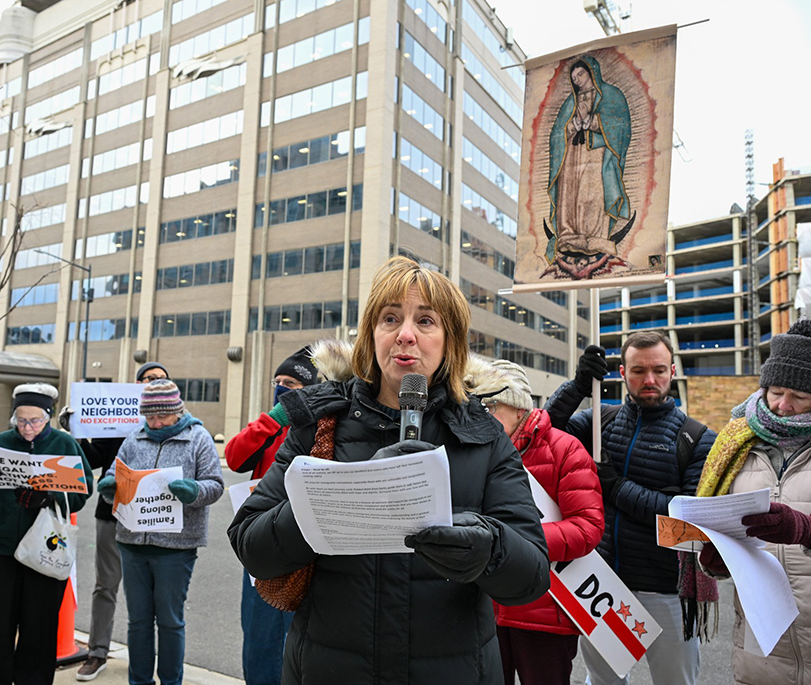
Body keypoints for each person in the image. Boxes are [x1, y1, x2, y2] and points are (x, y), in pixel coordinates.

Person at [228, 256, 550, 684]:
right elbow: (250, 544)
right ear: (371, 335)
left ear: (449, 341)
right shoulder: (320, 424)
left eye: (426, 321)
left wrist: (488, 549)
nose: (406, 335)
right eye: (390, 318)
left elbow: (532, 577)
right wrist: (343, 496)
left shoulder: (484, 436)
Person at [545, 332, 715, 685]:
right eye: (638, 371)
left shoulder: (696, 437)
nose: (649, 380)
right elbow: (545, 430)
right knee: (604, 681)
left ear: (672, 371)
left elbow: (687, 519)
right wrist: (576, 387)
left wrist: (616, 487)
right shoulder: (598, 423)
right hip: (601, 584)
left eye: (658, 370)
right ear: (622, 372)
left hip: (666, 589)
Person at [690, 318, 811, 684]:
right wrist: (715, 560)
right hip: (761, 651)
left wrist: (804, 530)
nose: (782, 405)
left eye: (799, 396)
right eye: (775, 390)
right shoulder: (736, 443)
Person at [473, 359, 604, 685]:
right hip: (484, 608)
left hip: (546, 610)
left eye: (490, 406)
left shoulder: (565, 449)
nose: (480, 415)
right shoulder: (475, 452)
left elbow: (587, 528)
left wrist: (512, 542)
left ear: (519, 408)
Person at [0, 383, 94, 685]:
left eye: (35, 420)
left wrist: (49, 497)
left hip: (45, 553)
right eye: (21, 420)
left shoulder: (65, 445)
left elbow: (81, 492)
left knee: (39, 633)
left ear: (48, 417)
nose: (27, 428)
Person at [97, 379, 224, 685]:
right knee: (138, 622)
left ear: (177, 411)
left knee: (169, 621)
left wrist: (194, 490)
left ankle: (171, 681)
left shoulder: (198, 438)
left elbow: (215, 484)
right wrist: (108, 487)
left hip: (176, 547)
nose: (155, 422)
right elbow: (115, 476)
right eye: (150, 417)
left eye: (161, 416)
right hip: (131, 542)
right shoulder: (133, 438)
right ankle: (139, 681)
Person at [225, 347, 318, 685]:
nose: (280, 387)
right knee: (259, 640)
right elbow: (235, 457)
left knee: (298, 642)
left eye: (290, 383)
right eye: (277, 381)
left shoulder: (321, 427)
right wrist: (273, 419)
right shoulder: (272, 424)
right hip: (264, 546)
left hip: (305, 549)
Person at [73, 361, 170, 682]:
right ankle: (97, 652)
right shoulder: (117, 420)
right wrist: (76, 430)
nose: (152, 383)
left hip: (156, 517)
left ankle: (152, 661)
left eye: (159, 379)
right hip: (112, 513)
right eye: (147, 379)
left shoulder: (176, 423)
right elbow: (92, 458)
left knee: (156, 595)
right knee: (106, 585)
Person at [547, 55, 632, 267]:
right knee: (571, 194)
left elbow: (620, 126)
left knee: (593, 194)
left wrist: (592, 121)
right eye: (573, 77)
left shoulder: (611, 95)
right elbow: (557, 133)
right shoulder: (570, 103)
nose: (577, 80)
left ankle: (595, 236)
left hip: (597, 153)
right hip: (572, 155)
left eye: (580, 74)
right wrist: (574, 123)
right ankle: (569, 235)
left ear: (592, 71)